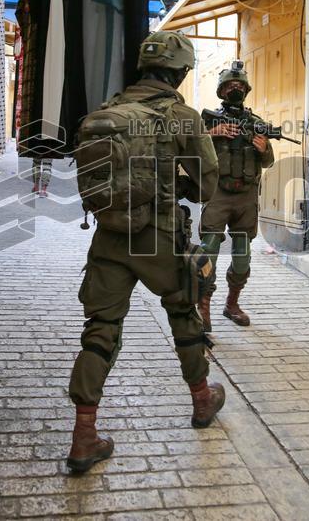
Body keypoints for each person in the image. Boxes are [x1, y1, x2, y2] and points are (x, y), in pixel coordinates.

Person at [66, 31, 223, 473]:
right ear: (181, 72)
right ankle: (201, 400)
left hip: (110, 236)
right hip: (159, 237)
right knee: (183, 315)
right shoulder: (183, 117)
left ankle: (83, 436)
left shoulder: (106, 112)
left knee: (100, 329)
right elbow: (206, 187)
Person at [197, 61, 274, 331]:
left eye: (240, 86)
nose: (235, 89)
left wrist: (263, 148)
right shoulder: (207, 120)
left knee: (242, 255)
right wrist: (211, 133)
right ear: (221, 91)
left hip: (246, 197)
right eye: (230, 86)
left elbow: (268, 162)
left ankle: (232, 304)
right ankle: (203, 307)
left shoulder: (257, 123)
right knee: (208, 251)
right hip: (218, 193)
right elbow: (187, 147)